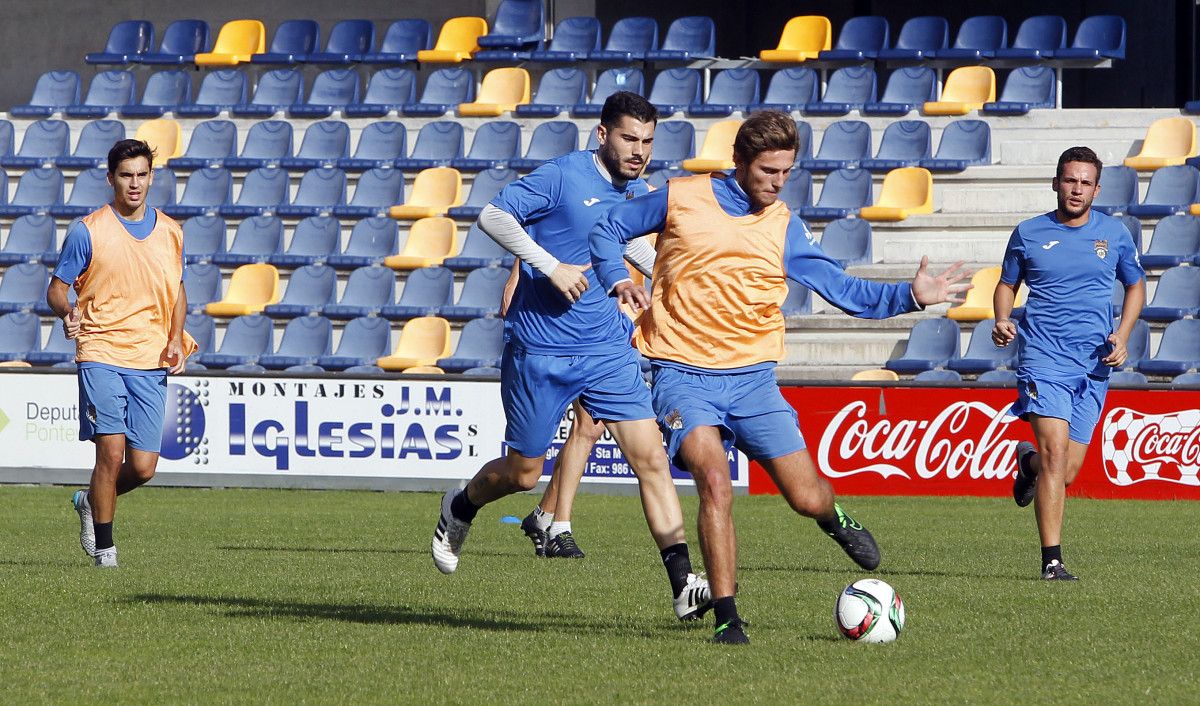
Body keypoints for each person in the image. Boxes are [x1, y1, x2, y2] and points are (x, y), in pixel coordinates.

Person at [589, 111, 971, 644]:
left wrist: (908, 296)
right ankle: (727, 616)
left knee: (806, 498)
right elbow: (608, 227)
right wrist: (614, 278)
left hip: (752, 381)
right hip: (681, 373)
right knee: (714, 482)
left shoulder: (784, 224)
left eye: (786, 172)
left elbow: (841, 289)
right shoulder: (681, 197)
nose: (777, 182)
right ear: (739, 162)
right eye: (768, 170)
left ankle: (834, 517)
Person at [431, 92, 712, 620]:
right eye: (630, 138)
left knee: (650, 458)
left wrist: (674, 282)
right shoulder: (563, 176)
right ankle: (461, 505)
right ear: (603, 134)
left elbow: (628, 245)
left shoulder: (637, 192)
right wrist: (551, 265)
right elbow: (492, 216)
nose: (639, 151)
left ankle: (683, 586)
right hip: (541, 349)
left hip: (606, 348)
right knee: (522, 475)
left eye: (648, 142)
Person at [992, 146, 1145, 581]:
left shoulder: (1114, 235)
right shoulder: (1029, 232)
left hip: (1094, 365)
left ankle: (1028, 465)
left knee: (1065, 470)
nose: (1076, 189)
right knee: (1056, 456)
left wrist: (1124, 335)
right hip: (1043, 359)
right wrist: (1002, 319)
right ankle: (1052, 562)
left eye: (1084, 182)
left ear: (1096, 189)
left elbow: (1135, 287)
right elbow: (1007, 285)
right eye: (1069, 180)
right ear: (1055, 182)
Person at [49, 139, 195, 568]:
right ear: (111, 178)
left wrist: (175, 337)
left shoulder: (171, 231)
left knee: (144, 468)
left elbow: (178, 290)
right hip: (100, 349)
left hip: (150, 357)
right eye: (126, 175)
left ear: (152, 177)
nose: (135, 183)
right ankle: (106, 553)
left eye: (142, 174)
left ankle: (90, 501)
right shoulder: (88, 230)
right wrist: (68, 311)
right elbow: (57, 288)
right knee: (110, 453)